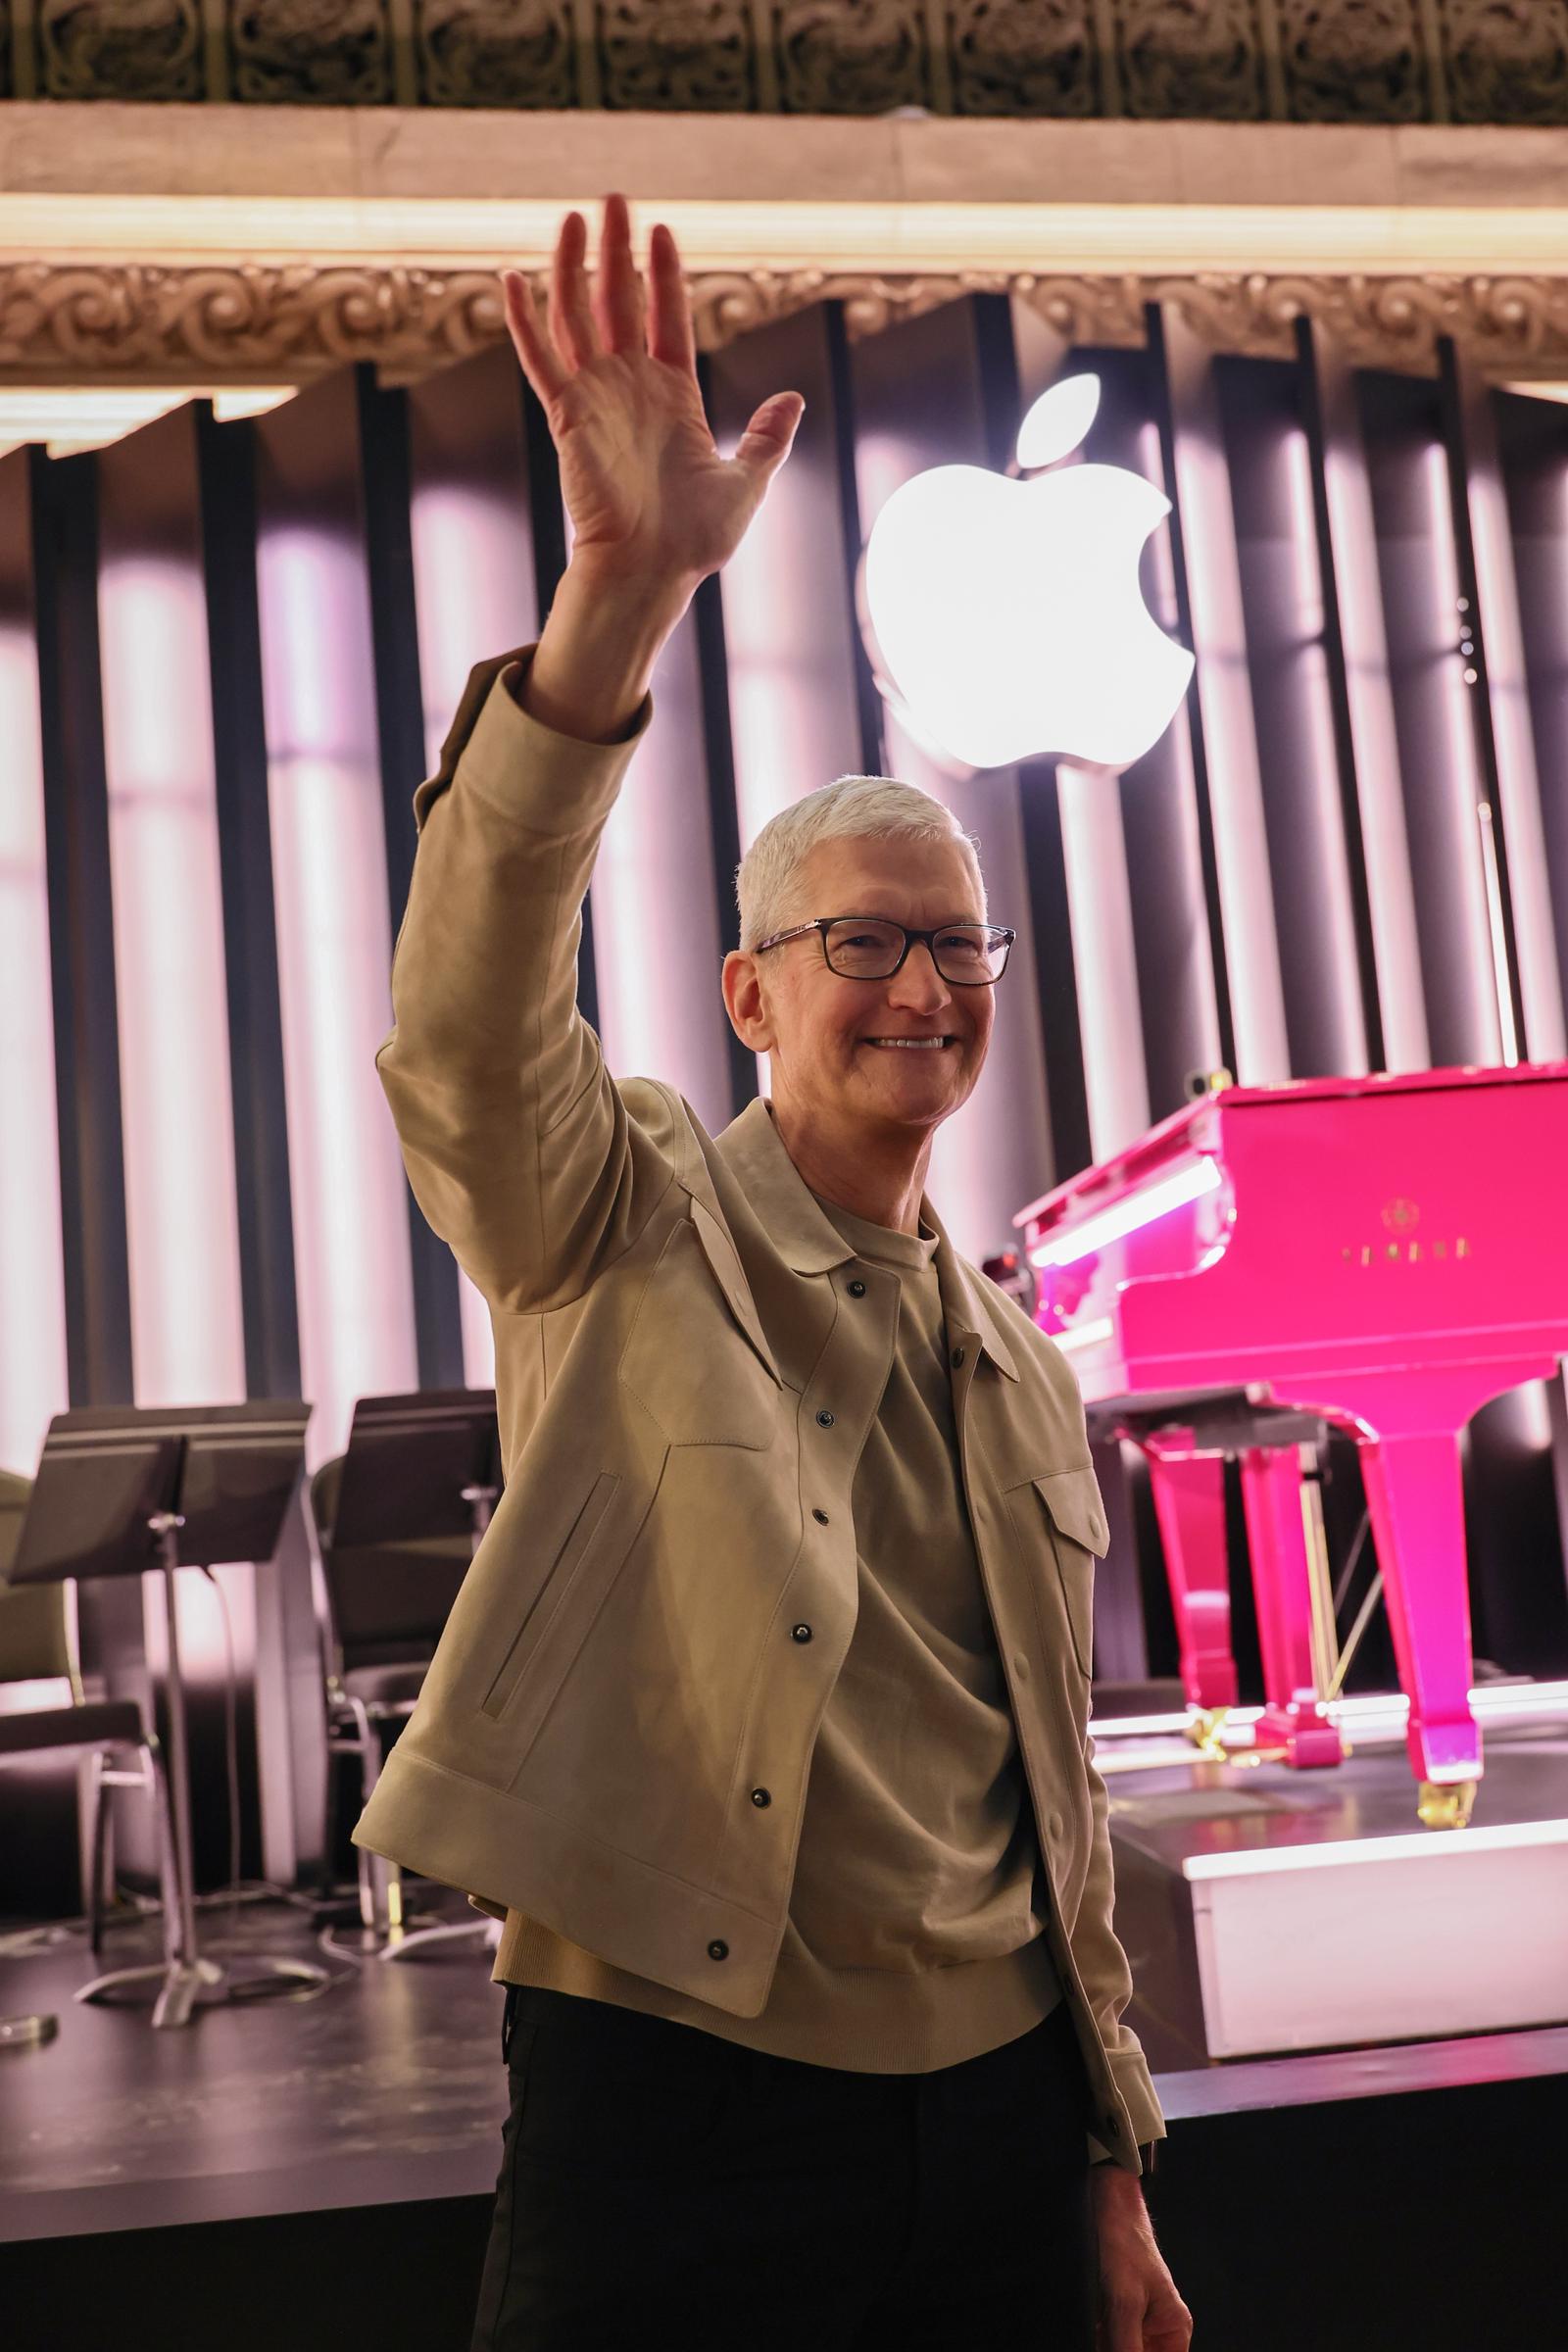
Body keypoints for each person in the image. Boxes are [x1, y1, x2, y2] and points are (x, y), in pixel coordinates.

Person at [354, 191, 1192, 2352]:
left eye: (957, 944)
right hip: (681, 2110)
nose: (922, 985)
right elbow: (462, 1037)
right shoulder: (623, 1220)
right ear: (746, 992)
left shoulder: (1014, 1358)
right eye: (862, 940)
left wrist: (1104, 2163)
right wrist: (619, 601)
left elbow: (1056, 1813)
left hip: (998, 2122)